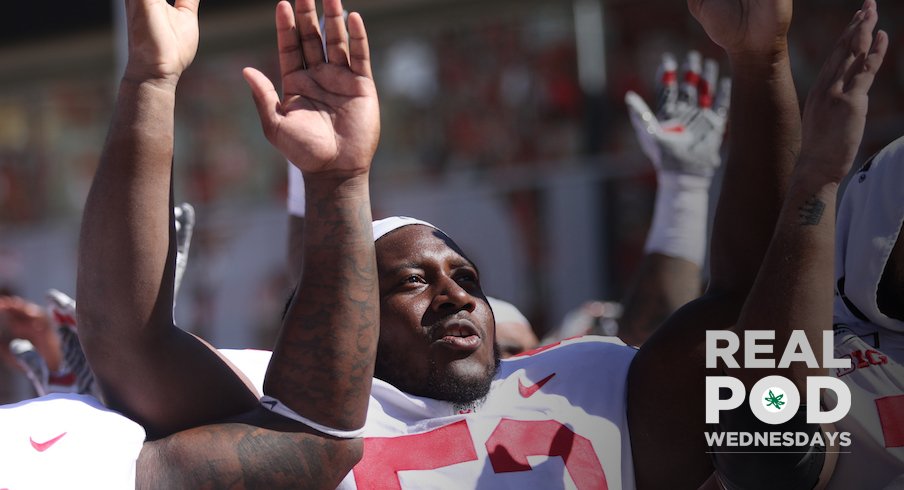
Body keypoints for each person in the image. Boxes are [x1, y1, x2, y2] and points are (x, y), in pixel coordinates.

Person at [1, 0, 379, 487]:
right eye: (410, 279)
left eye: (468, 278)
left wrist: (150, 80)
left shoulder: (511, 379)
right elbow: (315, 437)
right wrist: (337, 182)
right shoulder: (283, 388)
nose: (452, 298)